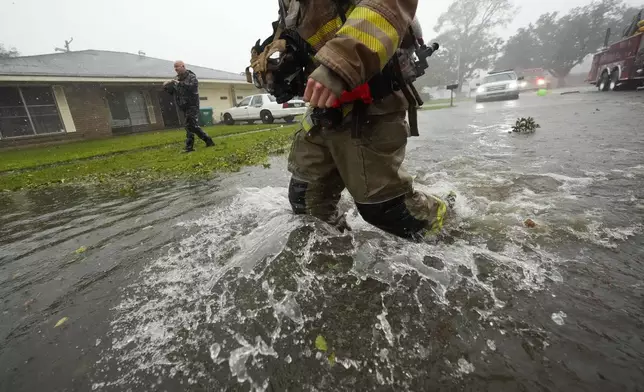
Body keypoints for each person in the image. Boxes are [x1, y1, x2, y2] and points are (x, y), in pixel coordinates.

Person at [252, 0, 456, 241]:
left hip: (373, 100)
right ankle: (338, 258)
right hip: (324, 109)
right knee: (306, 200)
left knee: (385, 209)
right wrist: (281, 61)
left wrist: (338, 64)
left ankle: (449, 221)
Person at [163, 61, 215, 153]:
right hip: (183, 105)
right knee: (191, 126)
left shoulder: (191, 77)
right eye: (174, 67)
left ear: (183, 66)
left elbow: (191, 88)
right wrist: (167, 86)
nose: (175, 69)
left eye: (177, 67)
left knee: (190, 126)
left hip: (192, 105)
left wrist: (179, 83)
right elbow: (173, 92)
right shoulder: (177, 79)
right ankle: (207, 141)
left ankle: (190, 146)